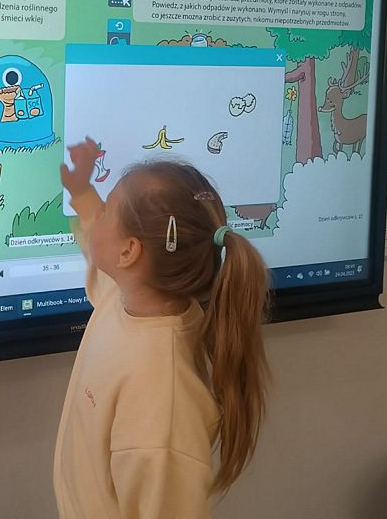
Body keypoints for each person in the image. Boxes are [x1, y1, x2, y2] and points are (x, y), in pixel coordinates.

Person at [55, 137, 270, 518]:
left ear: (129, 251)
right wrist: (82, 192)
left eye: (106, 210)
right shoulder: (125, 296)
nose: (97, 215)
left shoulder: (163, 405)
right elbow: (95, 242)